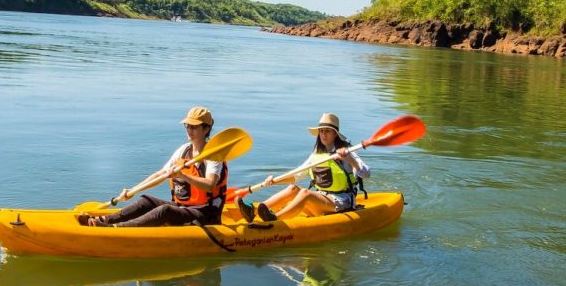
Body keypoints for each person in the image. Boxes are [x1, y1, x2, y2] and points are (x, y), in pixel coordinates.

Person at [79, 106, 228, 227]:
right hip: (183, 207)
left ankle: (115, 229)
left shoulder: (213, 156)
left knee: (165, 210)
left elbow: (210, 185)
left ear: (206, 129)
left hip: (205, 213)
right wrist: (133, 190)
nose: (189, 130)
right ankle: (106, 220)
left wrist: (182, 175)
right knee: (146, 200)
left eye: (194, 127)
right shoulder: (184, 150)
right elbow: (160, 174)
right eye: (187, 125)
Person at [236, 113, 370, 222]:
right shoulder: (316, 154)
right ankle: (252, 211)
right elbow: (297, 175)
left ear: (335, 134)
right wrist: (274, 181)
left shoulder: (347, 151)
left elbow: (366, 173)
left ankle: (275, 219)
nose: (323, 135)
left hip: (342, 202)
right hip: (322, 200)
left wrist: (350, 160)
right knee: (293, 188)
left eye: (328, 131)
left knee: (305, 193)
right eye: (321, 131)